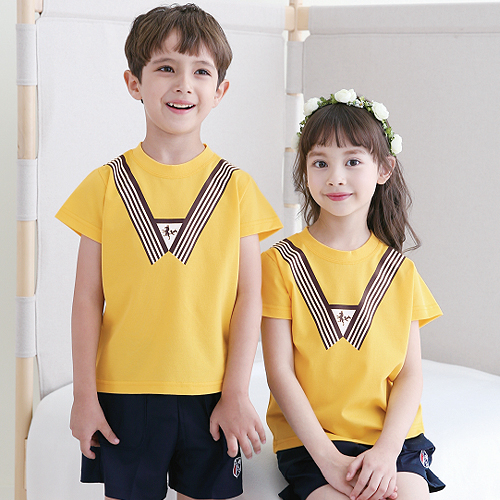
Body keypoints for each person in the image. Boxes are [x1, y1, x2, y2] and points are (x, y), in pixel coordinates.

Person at [56, 5, 282, 500]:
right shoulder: (105, 185)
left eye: (201, 71)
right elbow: (87, 298)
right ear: (134, 83)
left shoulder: (238, 189)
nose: (183, 85)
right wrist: (84, 395)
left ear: (220, 91)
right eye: (166, 68)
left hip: (211, 393)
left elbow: (249, 298)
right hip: (123, 394)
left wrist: (236, 390)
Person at [261, 89, 445, 500]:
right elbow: (280, 373)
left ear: (384, 168)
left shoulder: (399, 271)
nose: (335, 177)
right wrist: (328, 459)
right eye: (320, 163)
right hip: (312, 443)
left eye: (353, 161)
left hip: (392, 440)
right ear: (304, 170)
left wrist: (387, 451)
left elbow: (410, 374)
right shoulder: (279, 263)